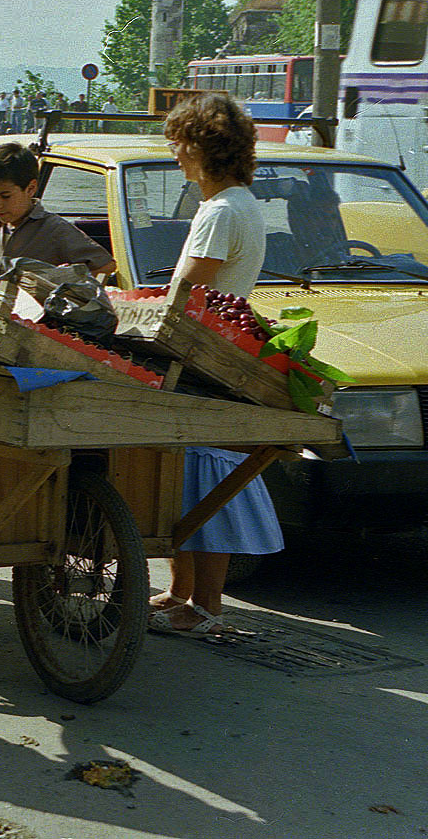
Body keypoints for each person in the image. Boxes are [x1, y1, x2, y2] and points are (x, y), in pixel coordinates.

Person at [146, 93, 282, 636]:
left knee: (204, 481)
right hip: (209, 351)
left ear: (204, 147)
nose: (175, 154)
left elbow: (192, 290)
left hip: (205, 357)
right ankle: (180, 592)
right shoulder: (233, 204)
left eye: (180, 143)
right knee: (188, 478)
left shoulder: (223, 211)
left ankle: (205, 607)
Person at [0, 142, 116, 279]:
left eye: (5, 196)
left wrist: (60, 283)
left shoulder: (55, 229)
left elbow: (106, 266)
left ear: (31, 189)